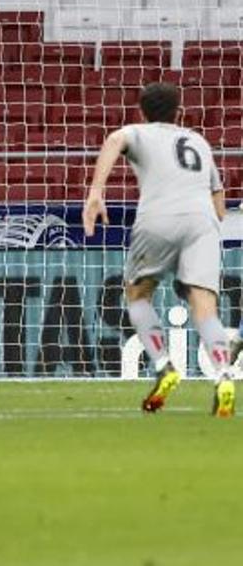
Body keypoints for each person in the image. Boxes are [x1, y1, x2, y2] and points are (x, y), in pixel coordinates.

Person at [82, 82, 234, 417]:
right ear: (178, 110)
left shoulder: (137, 131)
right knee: (205, 308)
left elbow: (113, 140)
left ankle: (164, 365)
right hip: (202, 221)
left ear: (142, 110)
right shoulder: (198, 141)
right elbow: (220, 207)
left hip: (159, 217)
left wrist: (95, 191)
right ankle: (224, 374)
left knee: (138, 294)